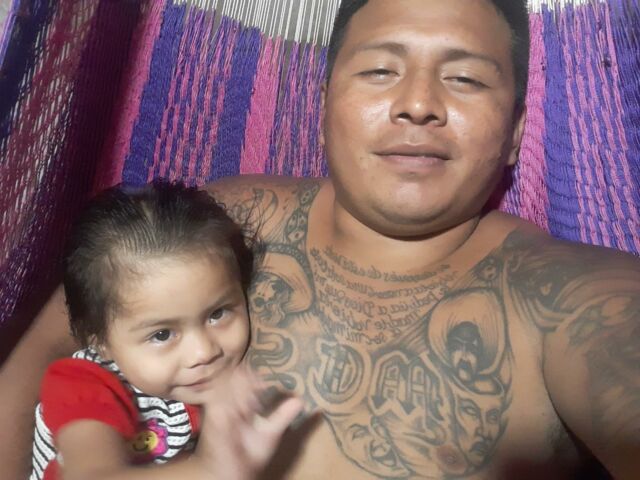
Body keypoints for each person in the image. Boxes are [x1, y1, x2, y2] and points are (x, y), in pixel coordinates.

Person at [2, 0, 639, 478]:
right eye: (381, 70)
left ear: (517, 132)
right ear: (325, 98)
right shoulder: (227, 217)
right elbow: (52, 348)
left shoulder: (573, 298)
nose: (418, 103)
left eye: (465, 79)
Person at [28, 181, 303, 480]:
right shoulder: (82, 383)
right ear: (100, 341)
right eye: (162, 335)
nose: (203, 352)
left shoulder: (216, 387)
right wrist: (210, 471)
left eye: (217, 314)